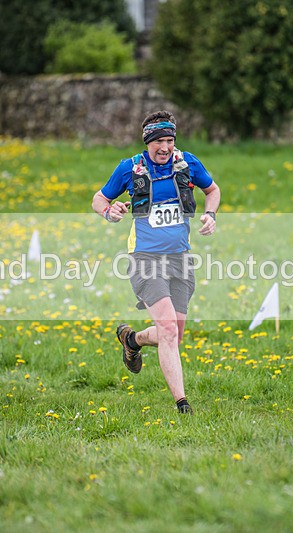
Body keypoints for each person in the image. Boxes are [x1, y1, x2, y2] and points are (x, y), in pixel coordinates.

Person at [91, 110, 221, 415]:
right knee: (167, 329)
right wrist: (109, 212)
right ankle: (182, 404)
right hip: (145, 260)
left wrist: (210, 214)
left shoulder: (187, 162)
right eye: (158, 142)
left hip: (180, 259)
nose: (165, 147)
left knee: (173, 333)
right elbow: (99, 198)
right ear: (147, 142)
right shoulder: (130, 168)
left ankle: (132, 339)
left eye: (169, 140)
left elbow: (212, 190)